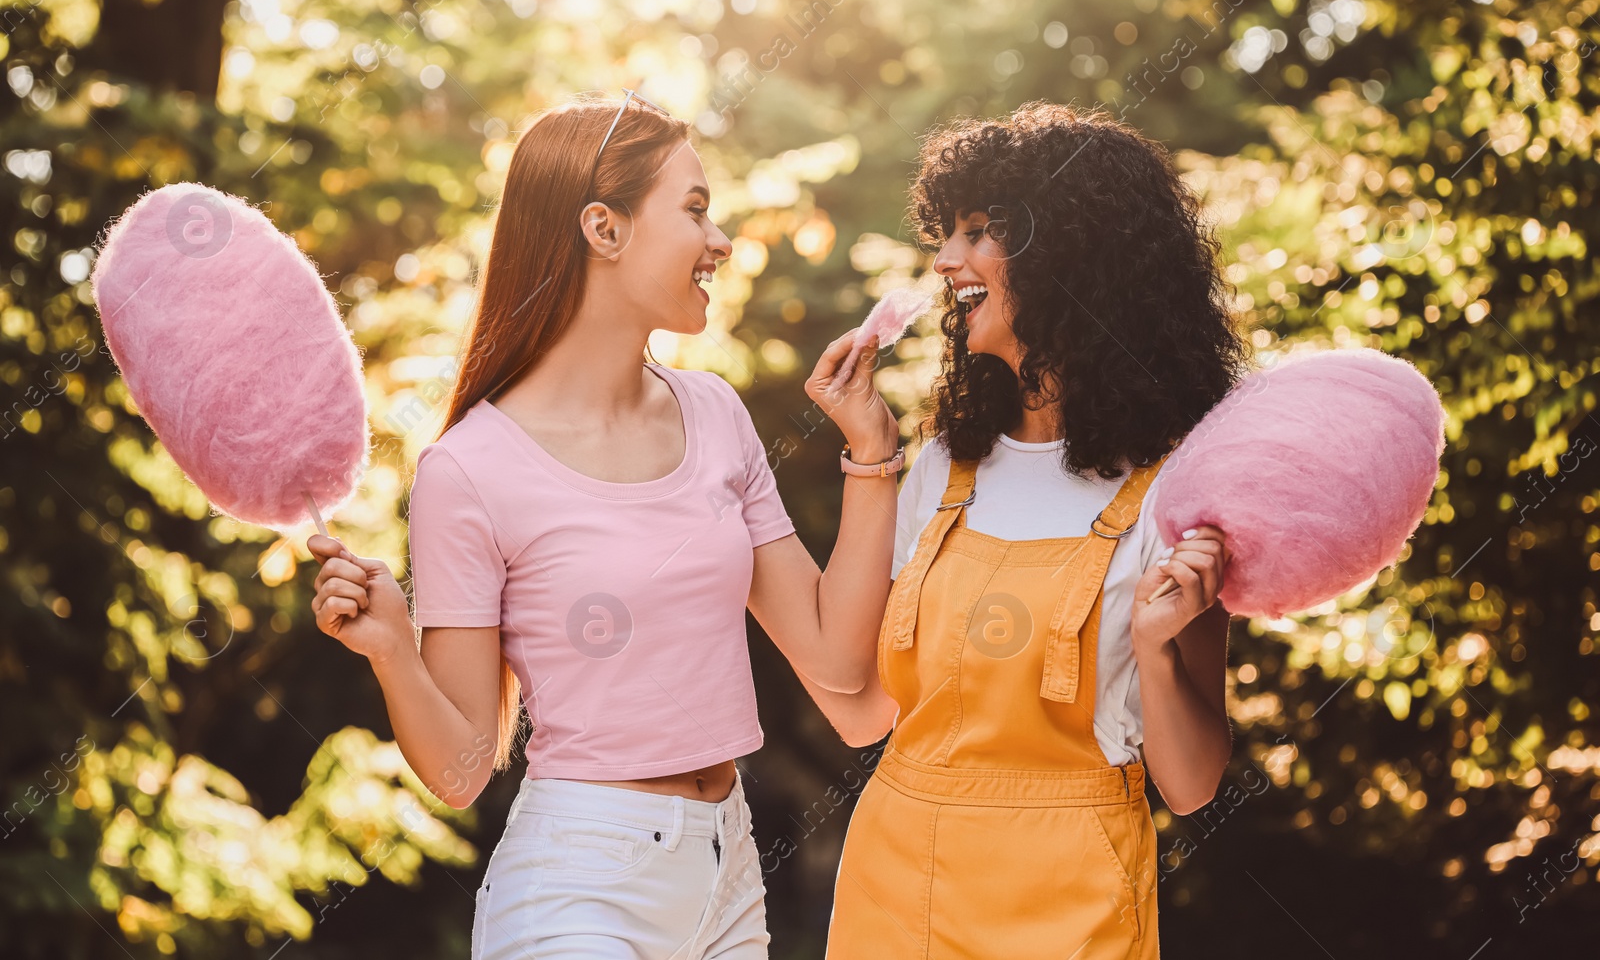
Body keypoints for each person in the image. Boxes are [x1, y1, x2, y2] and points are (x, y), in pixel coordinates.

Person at [305, 93, 901, 960]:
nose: (721, 240)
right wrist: (394, 647)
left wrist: (872, 452)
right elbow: (463, 771)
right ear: (603, 227)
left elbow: (841, 666)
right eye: (694, 210)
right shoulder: (468, 469)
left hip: (727, 878)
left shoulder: (715, 413)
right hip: (578, 884)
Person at [800, 102, 1249, 959]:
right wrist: (865, 452)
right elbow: (852, 686)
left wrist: (1157, 646)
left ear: (1073, 254)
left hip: (1075, 904)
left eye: (978, 232)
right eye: (946, 233)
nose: (945, 260)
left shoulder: (1179, 493)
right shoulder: (936, 470)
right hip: (894, 889)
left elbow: (1189, 786)